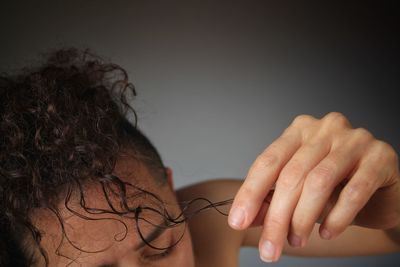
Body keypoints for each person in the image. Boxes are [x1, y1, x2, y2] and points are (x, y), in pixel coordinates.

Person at [0, 48, 399, 267]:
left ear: (171, 192)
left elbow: (388, 236)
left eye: (160, 249)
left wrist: (393, 203)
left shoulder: (208, 221)